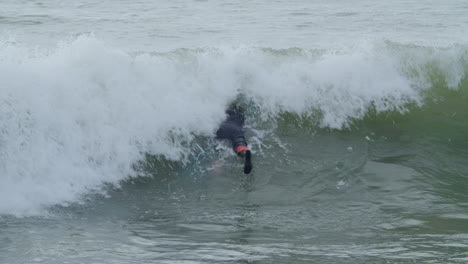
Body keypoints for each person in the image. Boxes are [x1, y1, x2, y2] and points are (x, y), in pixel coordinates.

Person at [216, 104, 252, 174]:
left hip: (223, 127)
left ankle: (216, 162)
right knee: (239, 141)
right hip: (236, 129)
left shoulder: (225, 114)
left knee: (217, 143)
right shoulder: (241, 117)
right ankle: (244, 151)